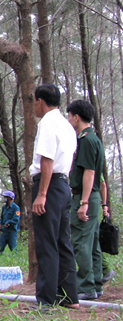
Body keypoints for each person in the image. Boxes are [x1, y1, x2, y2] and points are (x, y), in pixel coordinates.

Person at [30, 84, 79, 309]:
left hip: (49, 185)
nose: (33, 106)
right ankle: (70, 297)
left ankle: (46, 301)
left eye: (34, 101)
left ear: (40, 100)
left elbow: (47, 160)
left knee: (47, 243)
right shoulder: (67, 125)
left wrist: (41, 194)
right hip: (63, 186)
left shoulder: (48, 122)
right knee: (62, 241)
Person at [67, 99, 106, 300]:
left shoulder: (87, 140)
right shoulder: (93, 139)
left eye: (70, 115)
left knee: (81, 241)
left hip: (86, 198)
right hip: (93, 198)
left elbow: (89, 172)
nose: (69, 119)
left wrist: (83, 202)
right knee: (93, 243)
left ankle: (86, 286)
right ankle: (95, 284)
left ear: (77, 117)